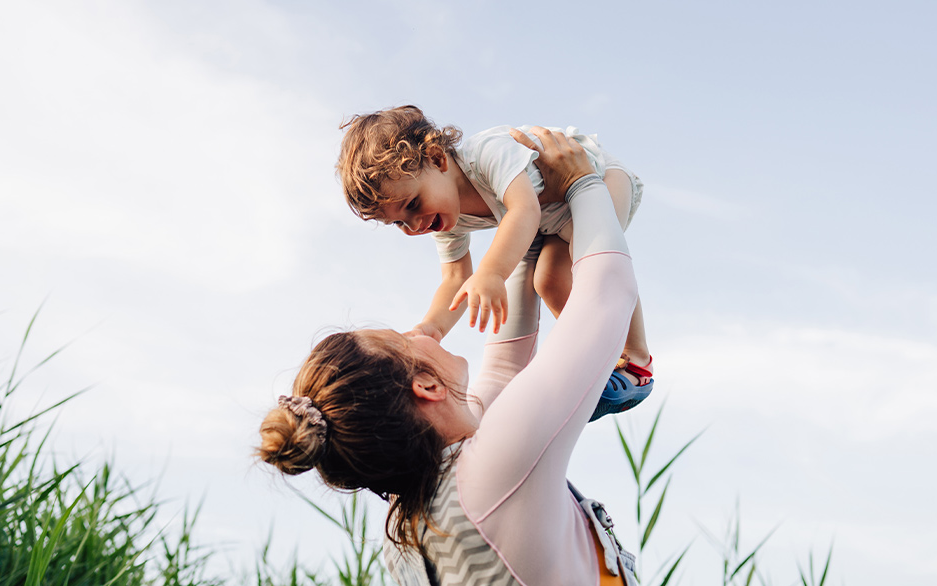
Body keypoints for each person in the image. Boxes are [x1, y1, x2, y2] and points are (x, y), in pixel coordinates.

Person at [259, 129, 641, 585]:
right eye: (404, 339)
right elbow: (605, 293)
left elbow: (504, 368)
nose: (423, 333)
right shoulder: (493, 470)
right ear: (426, 386)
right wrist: (582, 184)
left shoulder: (412, 525)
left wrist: (524, 237)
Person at [337, 106, 652, 420]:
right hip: (560, 218)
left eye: (413, 204)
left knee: (595, 260)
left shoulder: (487, 154)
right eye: (399, 222)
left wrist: (492, 273)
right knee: (549, 280)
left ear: (437, 158)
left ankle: (637, 359)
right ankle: (603, 361)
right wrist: (431, 327)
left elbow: (523, 209)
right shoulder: (444, 218)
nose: (415, 225)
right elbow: (455, 278)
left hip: (599, 178)